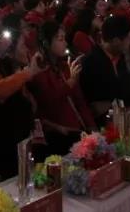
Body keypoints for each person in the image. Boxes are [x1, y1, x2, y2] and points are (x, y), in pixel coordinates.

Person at [0, 25, 43, 178]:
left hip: (26, 145)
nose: (26, 50)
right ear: (10, 52)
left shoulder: (19, 71)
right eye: (23, 46)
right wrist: (28, 73)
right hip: (8, 150)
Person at [28, 22, 95, 155]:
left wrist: (91, 126)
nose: (65, 43)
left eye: (64, 38)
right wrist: (69, 83)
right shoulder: (38, 70)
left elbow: (79, 100)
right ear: (46, 43)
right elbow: (49, 100)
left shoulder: (64, 66)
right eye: (60, 39)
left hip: (78, 130)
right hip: (57, 135)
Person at [79, 15, 130, 116]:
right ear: (116, 41)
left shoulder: (120, 57)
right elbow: (96, 105)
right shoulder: (91, 63)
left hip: (128, 116)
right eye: (128, 39)